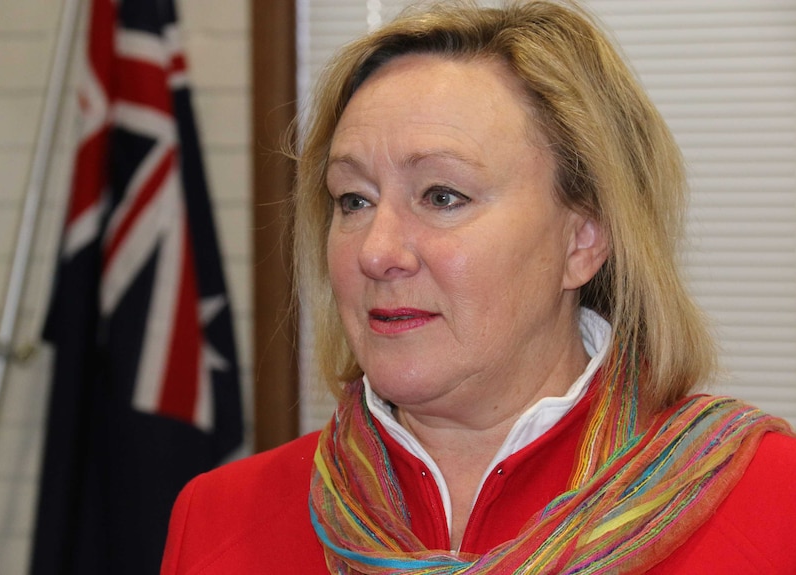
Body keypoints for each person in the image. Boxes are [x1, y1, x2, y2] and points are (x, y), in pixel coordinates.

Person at [161, 1, 796, 573]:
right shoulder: (220, 520)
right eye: (353, 200)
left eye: (442, 196)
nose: (377, 252)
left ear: (583, 240)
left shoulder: (772, 507)